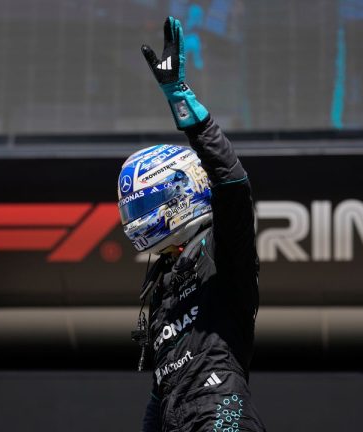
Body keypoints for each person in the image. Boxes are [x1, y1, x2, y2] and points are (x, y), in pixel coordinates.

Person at [117, 16, 266, 432]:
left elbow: (233, 183)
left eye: (146, 201)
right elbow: (159, 393)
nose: (138, 217)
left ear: (181, 191)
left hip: (222, 419)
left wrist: (182, 101)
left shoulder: (222, 250)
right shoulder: (162, 284)